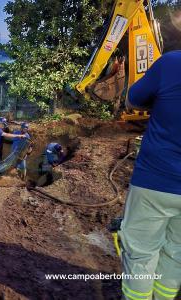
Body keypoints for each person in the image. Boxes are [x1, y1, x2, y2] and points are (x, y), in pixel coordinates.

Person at [119, 51, 181, 300]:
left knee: (141, 253)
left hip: (156, 180)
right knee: (177, 253)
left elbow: (132, 100)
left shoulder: (172, 62)